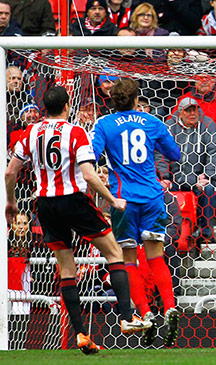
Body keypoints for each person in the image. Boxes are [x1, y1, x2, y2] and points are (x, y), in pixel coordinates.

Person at [5, 86, 151, 354]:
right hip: (74, 200)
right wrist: (112, 199)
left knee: (67, 268)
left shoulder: (30, 133)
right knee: (114, 252)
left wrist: (11, 202)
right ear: (67, 105)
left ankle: (82, 335)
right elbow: (89, 174)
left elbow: (10, 172)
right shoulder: (75, 132)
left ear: (44, 108)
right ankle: (128, 317)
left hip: (45, 204)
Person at [91, 78, 183, 347]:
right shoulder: (152, 122)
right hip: (153, 198)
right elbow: (174, 154)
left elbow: (93, 155)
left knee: (127, 258)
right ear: (135, 99)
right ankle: (169, 307)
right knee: (156, 255)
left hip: (123, 202)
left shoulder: (104, 124)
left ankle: (145, 313)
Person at [159, 97, 216, 244]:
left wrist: (207, 176)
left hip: (197, 177)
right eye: (188, 111)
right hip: (174, 178)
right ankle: (167, 233)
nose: (192, 114)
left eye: (195, 110)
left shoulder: (208, 125)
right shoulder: (168, 126)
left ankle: (206, 232)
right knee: (159, 191)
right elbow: (160, 154)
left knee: (209, 190)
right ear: (180, 112)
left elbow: (214, 152)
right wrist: (164, 177)